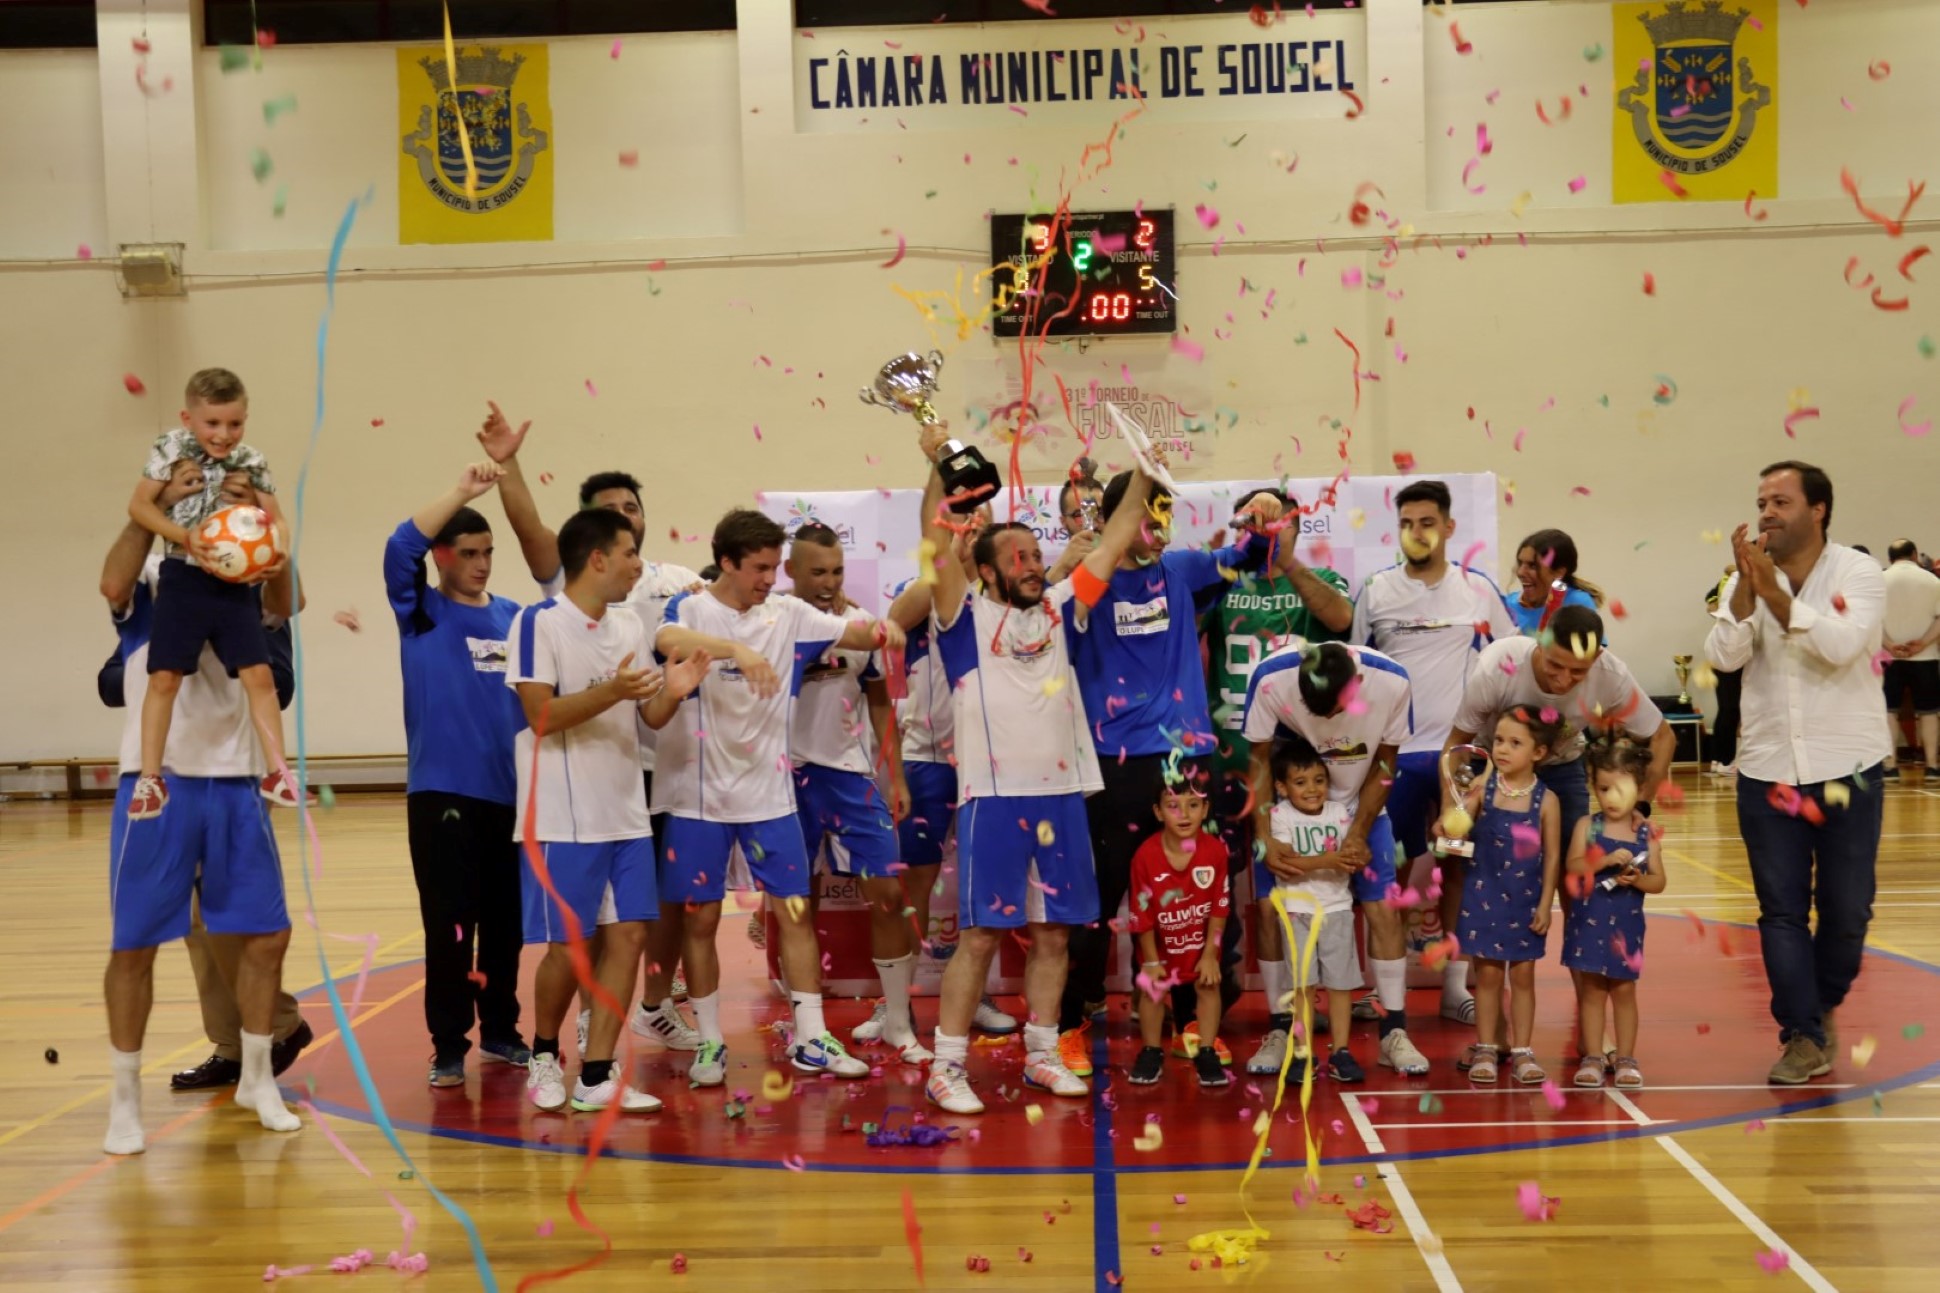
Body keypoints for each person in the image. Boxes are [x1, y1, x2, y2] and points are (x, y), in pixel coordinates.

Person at [914, 421, 1151, 1115]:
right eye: (1013, 555)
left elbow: (1116, 534)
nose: (1027, 561)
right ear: (985, 570)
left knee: (1056, 932)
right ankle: (947, 1065)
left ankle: (1042, 1053)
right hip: (993, 798)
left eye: (1031, 551)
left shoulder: (1058, 606)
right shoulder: (962, 615)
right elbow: (934, 547)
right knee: (983, 933)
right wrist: (937, 465)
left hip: (1062, 796)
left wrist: (1147, 472)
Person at [648, 508, 904, 1086]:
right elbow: (666, 639)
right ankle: (710, 1042)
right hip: (698, 799)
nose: (770, 579)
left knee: (794, 914)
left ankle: (812, 1036)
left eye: (772, 568)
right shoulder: (689, 608)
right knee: (700, 918)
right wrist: (734, 650)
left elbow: (861, 633)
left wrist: (890, 628)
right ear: (729, 562)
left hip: (771, 797)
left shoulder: (789, 613)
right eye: (759, 568)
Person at [478, 407, 702, 1048]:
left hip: (647, 774)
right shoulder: (552, 607)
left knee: (645, 918)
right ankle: (564, 1037)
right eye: (612, 510)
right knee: (582, 934)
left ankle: (631, 1029)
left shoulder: (669, 583)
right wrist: (507, 464)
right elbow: (543, 715)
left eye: (632, 506)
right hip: (573, 798)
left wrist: (684, 684)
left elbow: (653, 696)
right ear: (591, 544)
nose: (627, 515)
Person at [1056, 468, 1291, 1077]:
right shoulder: (1086, 585)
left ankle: (1192, 1015)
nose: (1158, 527)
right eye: (1145, 514)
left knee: (1195, 890)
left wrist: (1266, 514)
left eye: (1164, 515)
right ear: (1114, 522)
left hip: (1185, 760)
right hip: (1110, 765)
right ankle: (1071, 1023)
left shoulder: (1182, 571)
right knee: (1096, 902)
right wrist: (1064, 567)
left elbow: (1255, 552)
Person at [99, 468, 304, 1154]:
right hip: (155, 787)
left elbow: (290, 595)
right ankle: (124, 1098)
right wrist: (153, 505)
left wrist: (266, 521)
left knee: (267, 934)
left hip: (236, 781)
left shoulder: (246, 581)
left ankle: (256, 1076)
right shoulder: (158, 584)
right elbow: (112, 584)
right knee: (134, 944)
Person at [509, 509, 702, 1114]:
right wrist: (612, 692)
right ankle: (544, 1053)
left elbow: (646, 719)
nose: (637, 567)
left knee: (630, 937)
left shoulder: (626, 627)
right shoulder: (536, 623)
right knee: (571, 947)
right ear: (597, 559)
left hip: (626, 813)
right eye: (628, 556)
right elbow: (541, 716)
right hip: (564, 817)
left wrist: (672, 691)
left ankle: (598, 1072)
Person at [1704, 461, 1889, 1086]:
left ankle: (1823, 1002)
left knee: (1848, 912)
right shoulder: (1747, 577)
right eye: (1761, 502)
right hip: (1768, 770)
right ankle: (1802, 1035)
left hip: (1850, 767)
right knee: (1780, 911)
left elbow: (1840, 645)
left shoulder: (1860, 573)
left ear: (1819, 510)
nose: (1766, 513)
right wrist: (1745, 594)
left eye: (1780, 501)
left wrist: (1775, 595)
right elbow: (1723, 656)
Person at [384, 460, 534, 1087]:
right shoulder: (420, 611)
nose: (481, 563)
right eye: (468, 552)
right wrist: (463, 493)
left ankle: (501, 1030)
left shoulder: (515, 617)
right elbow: (400, 545)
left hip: (511, 796)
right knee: (450, 925)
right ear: (442, 556)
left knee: (506, 926)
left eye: (488, 552)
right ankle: (448, 1044)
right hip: (442, 794)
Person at [1352, 479, 1519, 1027]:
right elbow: (1357, 679)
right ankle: (1384, 994)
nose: (1416, 532)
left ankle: (1453, 989)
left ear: (1448, 528)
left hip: (1460, 761)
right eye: (1406, 523)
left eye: (1427, 522)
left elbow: (1511, 664)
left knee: (1456, 871)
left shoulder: (1477, 590)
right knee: (1387, 877)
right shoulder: (1375, 591)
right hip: (1394, 761)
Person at [1202, 489, 1353, 1066]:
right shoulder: (1224, 575)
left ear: (1294, 524)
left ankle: (1314, 1016)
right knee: (1259, 904)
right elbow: (1180, 622)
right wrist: (1225, 557)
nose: (1265, 528)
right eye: (1255, 518)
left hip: (1296, 768)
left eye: (1275, 519)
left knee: (1286, 893)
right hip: (1228, 762)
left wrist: (1286, 559)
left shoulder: (1319, 578)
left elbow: (1341, 619)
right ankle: (1278, 1019)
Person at [1242, 641, 1427, 1075]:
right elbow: (1260, 760)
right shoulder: (1271, 678)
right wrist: (1266, 837)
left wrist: (1359, 831)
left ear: (1358, 684)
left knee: (1382, 910)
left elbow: (1386, 763)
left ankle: (1394, 1032)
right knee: (1270, 911)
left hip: (1361, 806)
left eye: (1334, 711)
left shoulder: (1393, 682)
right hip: (1289, 811)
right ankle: (1280, 1028)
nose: (1325, 722)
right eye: (1314, 709)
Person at [123, 368, 298, 821]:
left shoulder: (251, 461)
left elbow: (277, 519)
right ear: (188, 418)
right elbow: (139, 506)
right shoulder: (169, 450)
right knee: (164, 678)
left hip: (234, 583)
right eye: (212, 424)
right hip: (183, 576)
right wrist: (184, 535)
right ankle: (150, 778)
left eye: (234, 424)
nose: (223, 435)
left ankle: (278, 771)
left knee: (259, 675)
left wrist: (278, 551)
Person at [783, 522, 929, 1065]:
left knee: (888, 896)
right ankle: (807, 1028)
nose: (828, 581)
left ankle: (896, 1023)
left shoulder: (862, 626)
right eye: (816, 571)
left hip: (849, 777)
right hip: (786, 778)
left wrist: (893, 776)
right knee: (798, 906)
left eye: (837, 570)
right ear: (790, 571)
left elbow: (880, 705)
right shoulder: (777, 622)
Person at [876, 505, 1021, 1043]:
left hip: (990, 765)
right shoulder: (925, 588)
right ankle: (894, 1004)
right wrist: (947, 561)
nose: (971, 533)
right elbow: (896, 613)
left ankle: (973, 997)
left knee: (979, 892)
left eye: (981, 526)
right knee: (911, 890)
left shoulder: (1006, 592)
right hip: (926, 762)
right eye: (962, 524)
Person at [1449, 707, 1562, 1086]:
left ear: (1538, 753)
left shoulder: (1547, 801)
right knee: (1487, 976)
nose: (1503, 749)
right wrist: (1452, 820)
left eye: (1515, 743)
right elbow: (1456, 826)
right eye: (1498, 740)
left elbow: (1553, 858)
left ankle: (1522, 1050)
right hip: (1484, 898)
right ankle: (1485, 1045)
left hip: (1525, 901)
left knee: (1524, 976)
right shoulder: (1484, 789)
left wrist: (1546, 903)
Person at [1257, 736, 1363, 1083]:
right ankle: (1303, 1052)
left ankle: (1341, 1051)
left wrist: (1356, 857)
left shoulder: (1339, 813)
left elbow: (1351, 858)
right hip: (1297, 914)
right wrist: (1331, 860)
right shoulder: (1279, 815)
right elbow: (1288, 862)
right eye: (1300, 782)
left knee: (1340, 984)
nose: (1312, 789)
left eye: (1319, 781)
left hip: (1337, 910)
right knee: (1303, 986)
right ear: (1282, 787)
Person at [1563, 737, 1666, 1090]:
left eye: (1620, 789)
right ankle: (1593, 1056)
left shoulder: (1646, 833)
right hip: (1588, 923)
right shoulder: (1586, 826)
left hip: (1627, 926)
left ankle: (1626, 1058)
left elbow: (1659, 882)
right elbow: (1573, 866)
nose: (1610, 797)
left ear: (1639, 789)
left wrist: (1637, 880)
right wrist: (1603, 861)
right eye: (1603, 788)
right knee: (1591, 991)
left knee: (1624, 992)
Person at [1125, 778, 1231, 1089]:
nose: (1184, 815)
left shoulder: (1215, 852)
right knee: (1152, 990)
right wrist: (1151, 962)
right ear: (1158, 812)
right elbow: (1140, 915)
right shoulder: (1145, 856)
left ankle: (1207, 1052)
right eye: (1173, 806)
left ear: (1205, 809)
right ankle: (1151, 1051)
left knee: (1209, 985)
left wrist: (1210, 954)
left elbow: (1219, 907)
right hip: (1158, 945)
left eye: (1193, 805)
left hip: (1200, 943)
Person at [1880, 538, 1940, 778]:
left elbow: (1871, 620)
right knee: (1928, 712)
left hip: (1888, 657)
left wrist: (1890, 645)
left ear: (1890, 558)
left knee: (1889, 711)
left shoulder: (1879, 580)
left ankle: (1890, 765)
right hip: (1925, 657)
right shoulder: (1933, 581)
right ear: (1915, 554)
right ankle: (1932, 766)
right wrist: (1923, 642)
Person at [1509, 528, 1604, 636]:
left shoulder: (1576, 604)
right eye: (1520, 563)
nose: (1520, 572)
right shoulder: (1508, 605)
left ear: (1559, 572)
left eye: (1533, 566)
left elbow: (1591, 650)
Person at [1703, 567, 1743, 776]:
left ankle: (1720, 760)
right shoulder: (1730, 581)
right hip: (1727, 653)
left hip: (1730, 652)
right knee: (1730, 709)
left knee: (1728, 709)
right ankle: (1724, 760)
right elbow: (1711, 607)